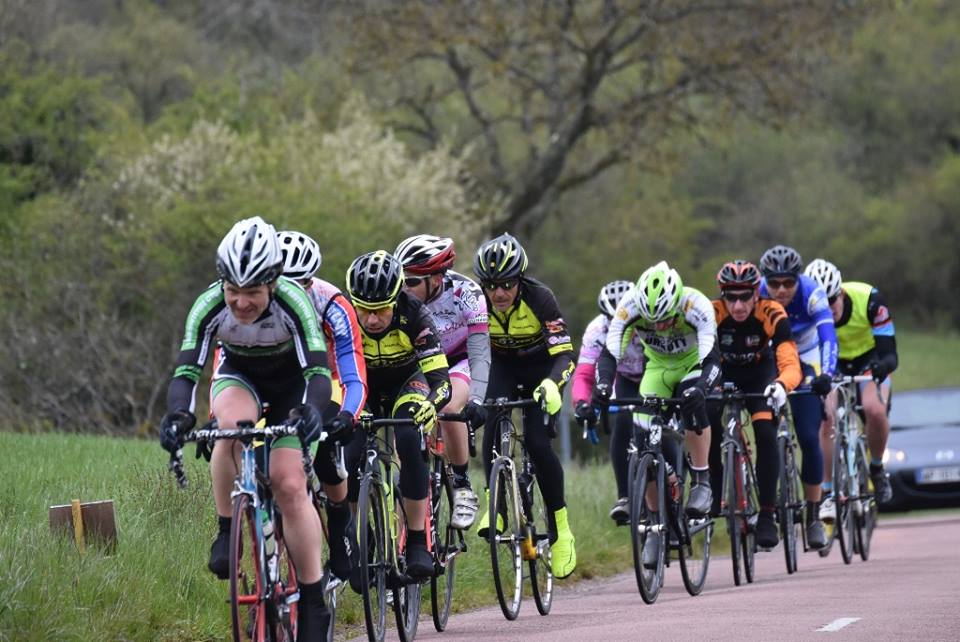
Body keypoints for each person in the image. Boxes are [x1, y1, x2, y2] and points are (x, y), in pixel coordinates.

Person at [158, 216, 333, 637]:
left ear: (272, 283)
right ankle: (226, 530)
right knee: (231, 428)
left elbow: (318, 373)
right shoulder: (208, 305)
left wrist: (312, 410)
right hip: (240, 376)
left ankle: (313, 598)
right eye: (232, 290)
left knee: (288, 483)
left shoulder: (294, 302)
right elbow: (187, 372)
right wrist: (179, 414)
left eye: (252, 292)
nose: (240, 302)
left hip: (292, 385)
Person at [599, 260, 720, 570]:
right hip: (658, 370)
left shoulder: (696, 305)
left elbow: (712, 359)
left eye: (665, 320)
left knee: (694, 405)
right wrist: (602, 386)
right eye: (652, 322)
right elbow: (610, 352)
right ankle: (654, 526)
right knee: (643, 441)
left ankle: (702, 480)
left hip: (693, 365)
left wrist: (702, 388)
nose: (660, 326)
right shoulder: (629, 306)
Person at [472, 232, 578, 579]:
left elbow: (565, 354)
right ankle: (497, 506)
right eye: (491, 285)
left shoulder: (540, 298)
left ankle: (561, 531)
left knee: (536, 442)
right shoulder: (478, 302)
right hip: (502, 367)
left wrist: (552, 383)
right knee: (492, 415)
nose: (499, 293)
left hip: (540, 369)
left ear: (519, 279)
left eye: (506, 284)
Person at [344, 250, 452, 585]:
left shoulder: (415, 314)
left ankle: (418, 540)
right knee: (348, 453)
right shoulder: (343, 316)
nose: (372, 320)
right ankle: (360, 537)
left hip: (407, 383)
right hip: (363, 387)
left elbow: (441, 382)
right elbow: (331, 374)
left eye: (380, 310)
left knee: (408, 437)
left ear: (396, 299)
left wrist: (431, 405)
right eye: (364, 310)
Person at [277, 230, 368, 582]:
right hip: (280, 381)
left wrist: (348, 414)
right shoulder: (254, 300)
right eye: (284, 284)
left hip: (325, 378)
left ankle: (340, 522)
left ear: (312, 280)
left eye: (302, 283)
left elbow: (352, 370)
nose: (294, 293)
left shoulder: (332, 303)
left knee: (326, 440)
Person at [394, 234, 490, 530]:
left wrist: (477, 398)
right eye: (401, 280)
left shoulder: (467, 293)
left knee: (448, 407)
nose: (403, 288)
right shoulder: (398, 297)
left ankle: (462, 485)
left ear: (436, 279)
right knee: (405, 428)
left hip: (459, 360)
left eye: (411, 281)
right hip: (422, 364)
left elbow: (480, 352)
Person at [707, 260, 802, 549]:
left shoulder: (771, 312)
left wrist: (782, 384)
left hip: (760, 374)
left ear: (756, 294)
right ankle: (714, 490)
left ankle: (767, 515)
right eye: (731, 297)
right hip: (722, 372)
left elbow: (790, 362)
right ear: (722, 295)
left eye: (745, 296)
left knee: (764, 431)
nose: (738, 305)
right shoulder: (711, 313)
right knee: (706, 422)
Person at [804, 258, 898, 510]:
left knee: (874, 410)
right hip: (831, 364)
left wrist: (883, 366)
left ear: (842, 293)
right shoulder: (807, 308)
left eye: (832, 300)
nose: (828, 307)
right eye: (822, 302)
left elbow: (891, 355)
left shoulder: (869, 300)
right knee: (827, 418)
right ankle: (827, 490)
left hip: (869, 359)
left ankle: (876, 468)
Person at [758, 244, 834, 548]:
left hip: (806, 356)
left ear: (798, 279)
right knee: (765, 432)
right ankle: (767, 510)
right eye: (774, 283)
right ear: (765, 281)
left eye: (788, 282)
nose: (781, 290)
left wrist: (827, 373)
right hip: (771, 356)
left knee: (808, 435)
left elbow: (828, 336)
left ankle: (813, 516)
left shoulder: (812, 292)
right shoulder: (756, 292)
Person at [571, 279, 645, 523]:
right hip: (623, 378)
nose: (620, 325)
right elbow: (584, 374)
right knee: (623, 422)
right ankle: (625, 497)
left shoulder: (649, 321)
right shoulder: (596, 330)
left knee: (659, 426)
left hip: (654, 372)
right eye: (612, 320)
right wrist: (582, 404)